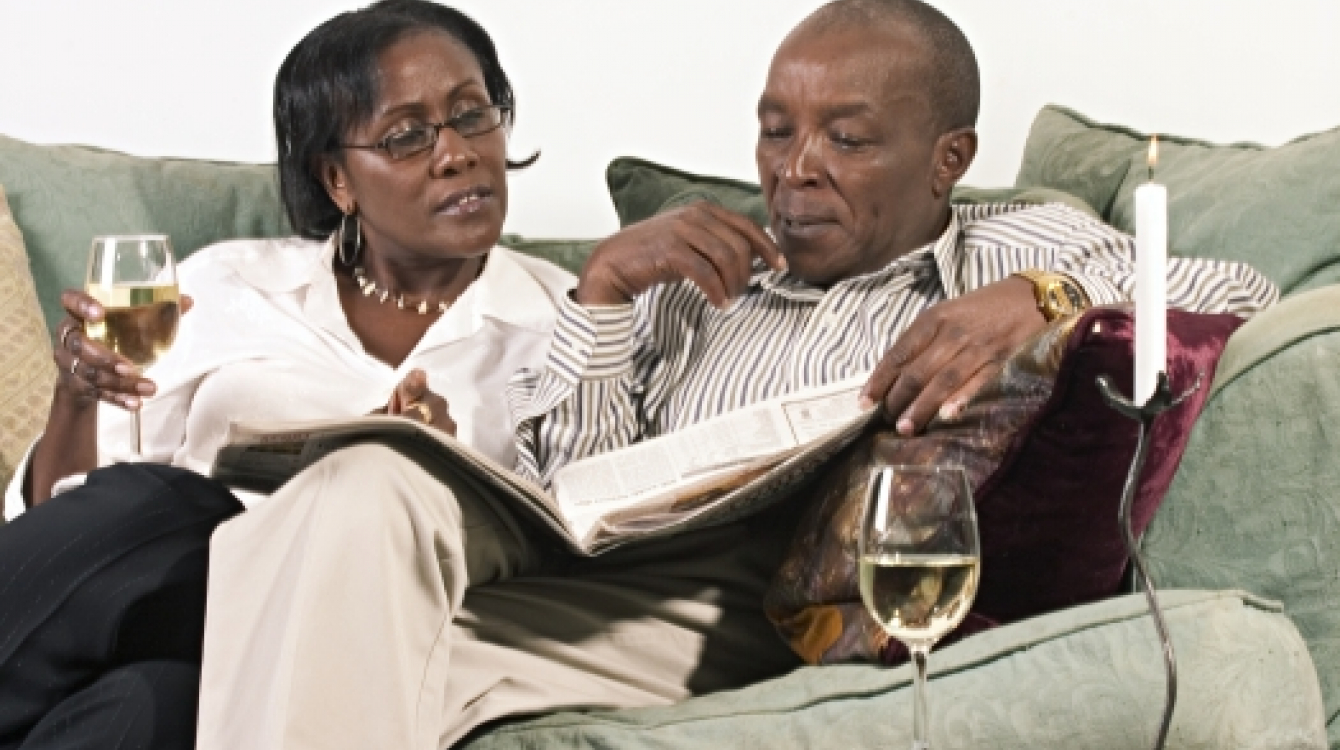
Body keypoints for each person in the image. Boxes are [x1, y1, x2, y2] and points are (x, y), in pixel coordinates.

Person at [196, 1, 1280, 748]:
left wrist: (1052, 298)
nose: (792, 168)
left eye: (844, 139)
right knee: (363, 483)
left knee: (307, 654)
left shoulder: (1015, 245)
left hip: (756, 595)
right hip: (588, 580)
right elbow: (564, 484)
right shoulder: (694, 278)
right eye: (774, 131)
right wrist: (604, 300)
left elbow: (1246, 290)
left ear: (946, 159)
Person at [0, 1, 574, 748]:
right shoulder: (228, 286)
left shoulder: (566, 325)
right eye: (407, 135)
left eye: (472, 115)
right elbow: (60, 527)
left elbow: (572, 559)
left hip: (354, 632)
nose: (457, 152)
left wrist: (442, 476)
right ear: (337, 179)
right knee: (160, 581)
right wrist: (77, 401)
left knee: (164, 684)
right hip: (166, 604)